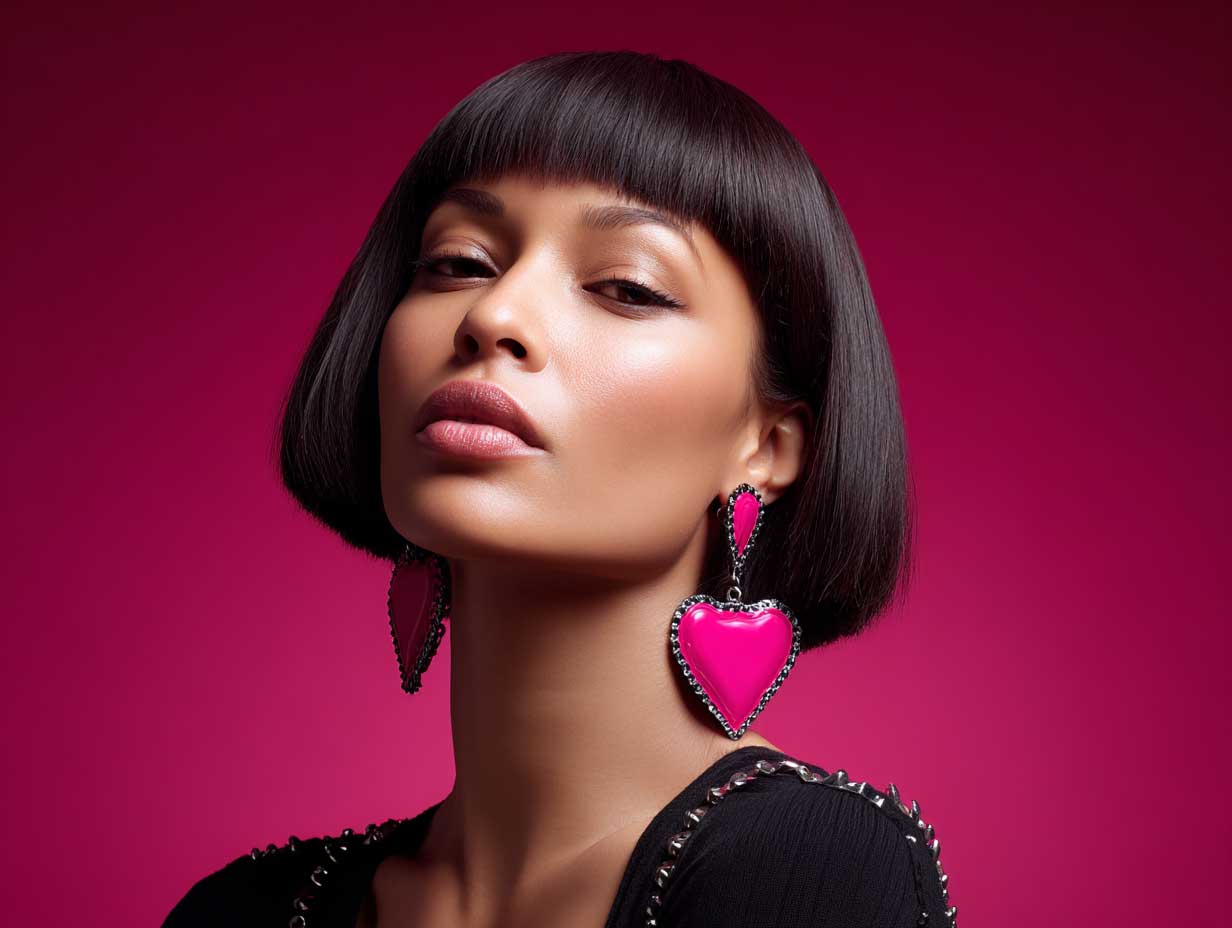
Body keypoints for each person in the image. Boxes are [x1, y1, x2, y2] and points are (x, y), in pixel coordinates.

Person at [162, 50, 955, 928]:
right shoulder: (239, 912)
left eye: (627, 286)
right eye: (458, 262)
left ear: (766, 444)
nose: (493, 316)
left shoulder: (814, 874)